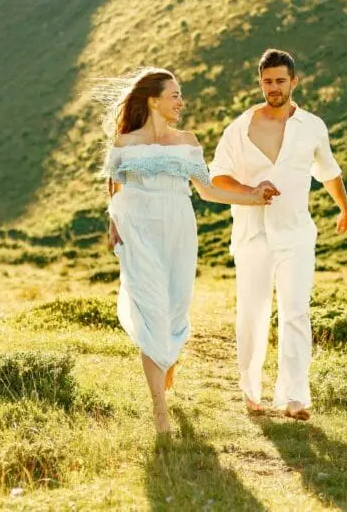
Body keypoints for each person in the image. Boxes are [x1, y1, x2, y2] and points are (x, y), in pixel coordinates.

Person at [101, 68, 277, 434]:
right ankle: (159, 410)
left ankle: (167, 356)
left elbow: (208, 190)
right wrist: (114, 223)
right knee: (152, 311)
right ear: (154, 100)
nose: (181, 102)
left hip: (178, 229)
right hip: (138, 230)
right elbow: (115, 186)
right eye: (175, 95)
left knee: (174, 311)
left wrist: (253, 196)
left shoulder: (188, 141)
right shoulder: (125, 143)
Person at [209, 49, 347, 421]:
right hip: (252, 234)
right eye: (267, 81)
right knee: (252, 313)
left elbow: (328, 171)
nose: (274, 87)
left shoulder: (312, 126)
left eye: (280, 81)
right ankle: (251, 391)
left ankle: (294, 397)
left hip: (296, 233)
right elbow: (217, 175)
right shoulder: (240, 128)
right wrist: (250, 190)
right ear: (260, 83)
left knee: (296, 312)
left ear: (293, 82)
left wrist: (344, 207)